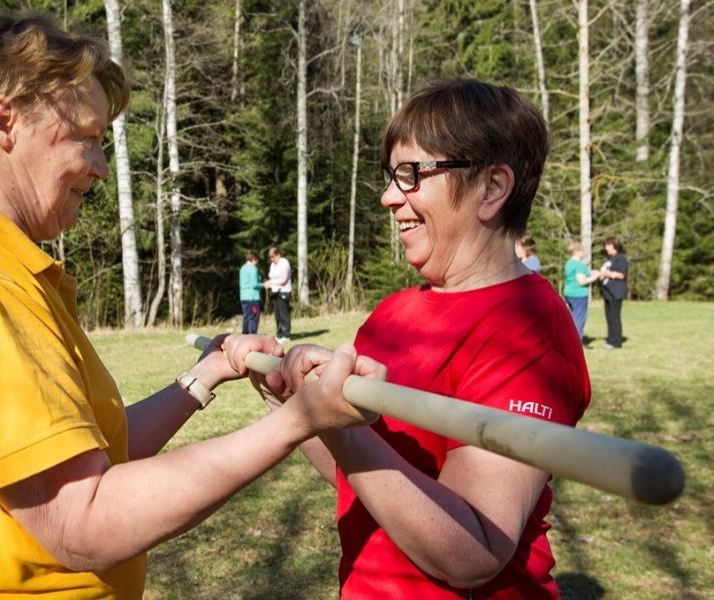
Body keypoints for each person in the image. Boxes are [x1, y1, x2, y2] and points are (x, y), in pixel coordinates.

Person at [0, 13, 377, 599]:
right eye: (84, 138)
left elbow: (87, 453)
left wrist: (206, 373)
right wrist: (296, 423)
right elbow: (80, 521)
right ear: (4, 120)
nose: (98, 164)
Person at [252, 80, 591, 598]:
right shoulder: (392, 314)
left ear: (492, 188)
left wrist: (343, 430)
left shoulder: (530, 328)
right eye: (391, 177)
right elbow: (361, 478)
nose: (390, 197)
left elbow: (474, 550)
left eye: (412, 174)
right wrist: (301, 406)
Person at [563, 240, 600, 345]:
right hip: (578, 294)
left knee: (571, 317)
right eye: (581, 250)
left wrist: (591, 273)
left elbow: (578, 275)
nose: (583, 253)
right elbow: (581, 281)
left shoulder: (569, 263)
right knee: (579, 318)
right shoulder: (579, 265)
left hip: (569, 293)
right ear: (577, 251)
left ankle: (568, 340)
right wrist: (595, 277)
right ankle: (577, 343)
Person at [597, 236, 629, 349]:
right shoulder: (609, 259)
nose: (606, 248)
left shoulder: (621, 258)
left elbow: (621, 275)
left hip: (616, 292)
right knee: (609, 317)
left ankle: (616, 342)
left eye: (608, 245)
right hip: (607, 293)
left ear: (615, 245)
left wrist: (606, 274)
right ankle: (610, 339)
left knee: (615, 317)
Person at [263, 246, 292, 344]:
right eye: (270, 258)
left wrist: (271, 283)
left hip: (283, 291)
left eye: (273, 257)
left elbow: (283, 280)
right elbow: (271, 277)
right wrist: (268, 283)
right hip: (275, 292)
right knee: (277, 314)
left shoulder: (284, 263)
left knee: (284, 314)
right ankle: (279, 334)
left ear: (278, 255)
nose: (272, 259)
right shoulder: (272, 265)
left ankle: (286, 335)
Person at [239, 250, 263, 334]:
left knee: (246, 317)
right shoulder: (253, 268)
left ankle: (244, 334)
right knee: (253, 317)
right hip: (252, 297)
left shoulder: (243, 268)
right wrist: (264, 284)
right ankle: (252, 336)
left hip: (244, 297)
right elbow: (254, 284)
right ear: (254, 259)